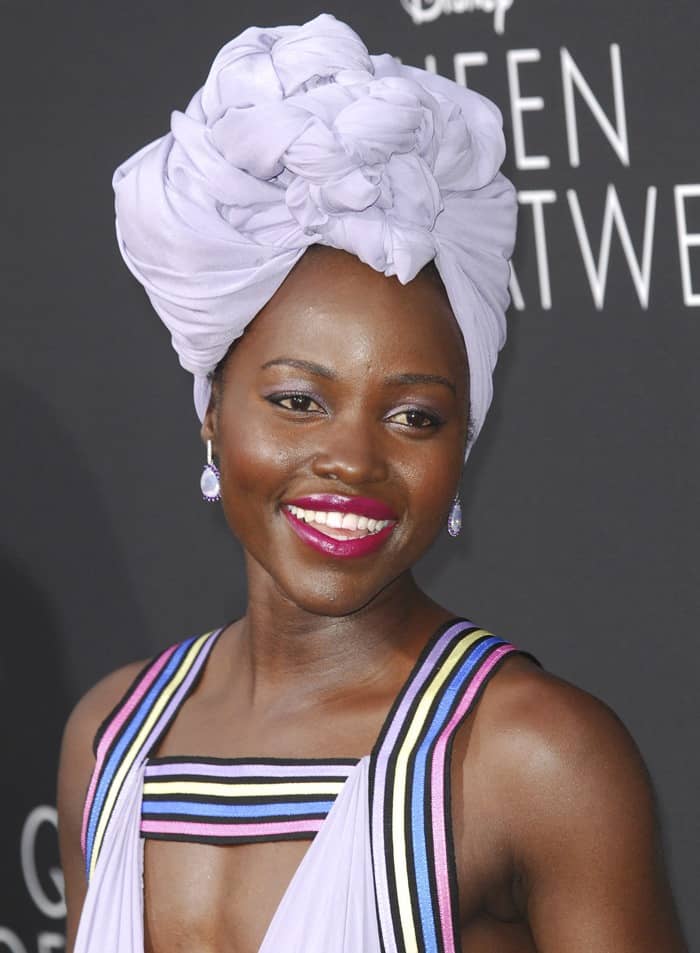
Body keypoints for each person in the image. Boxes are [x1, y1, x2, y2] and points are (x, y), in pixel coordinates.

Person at [57, 14, 687, 953]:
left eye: (414, 416)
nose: (353, 459)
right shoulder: (107, 739)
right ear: (212, 413)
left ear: (464, 441)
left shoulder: (532, 758)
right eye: (299, 401)